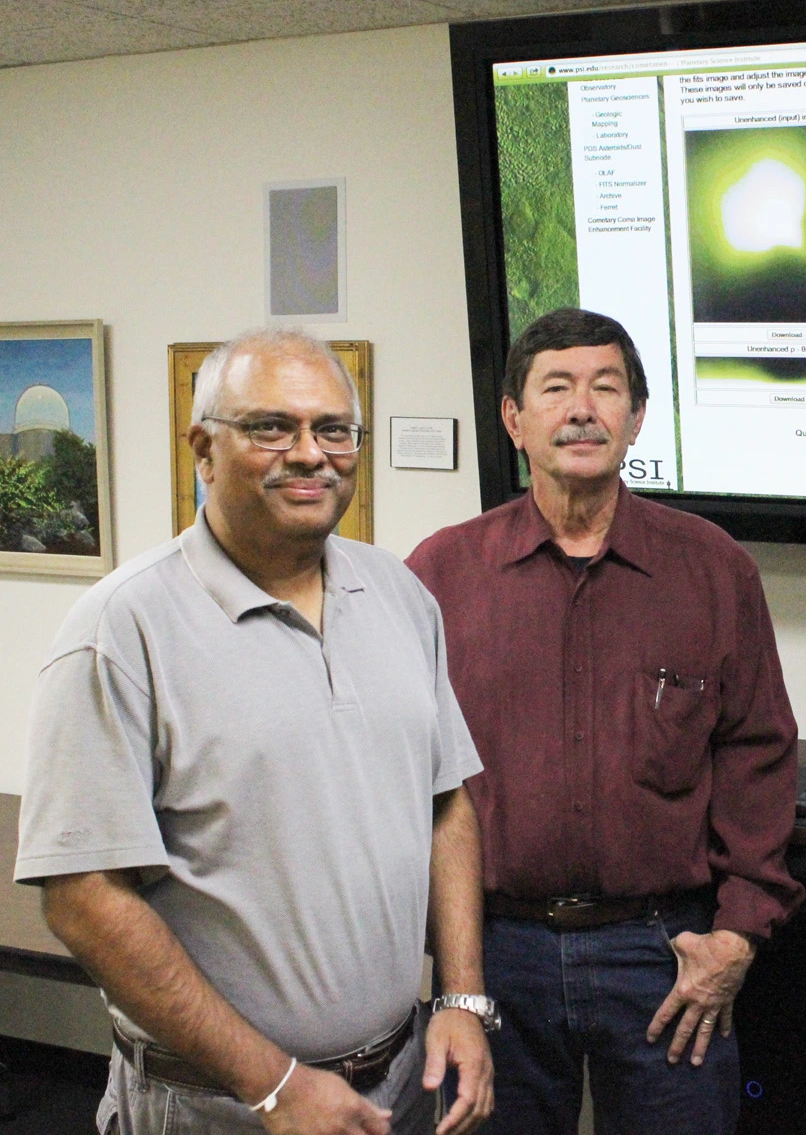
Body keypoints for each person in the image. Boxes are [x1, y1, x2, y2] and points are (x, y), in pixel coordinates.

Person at [15, 329, 496, 1135]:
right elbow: (84, 900)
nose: (310, 454)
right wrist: (272, 1083)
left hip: (402, 1083)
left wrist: (461, 998)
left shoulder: (399, 595)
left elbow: (446, 805)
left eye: (334, 429)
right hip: (218, 1107)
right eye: (272, 426)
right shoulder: (121, 629)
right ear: (203, 448)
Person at [406, 307, 803, 1135]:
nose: (581, 408)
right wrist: (447, 970)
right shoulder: (441, 573)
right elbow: (404, 772)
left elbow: (756, 756)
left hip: (663, 955)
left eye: (605, 388)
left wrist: (738, 935)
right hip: (494, 952)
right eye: (555, 388)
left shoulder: (712, 569)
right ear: (514, 420)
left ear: (637, 417)